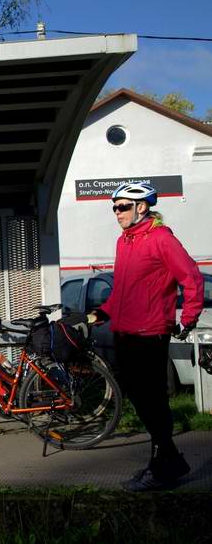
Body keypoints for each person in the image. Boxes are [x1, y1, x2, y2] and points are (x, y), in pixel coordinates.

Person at [89, 181, 203, 492]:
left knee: (152, 402)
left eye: (123, 207)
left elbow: (191, 278)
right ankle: (167, 462)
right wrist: (103, 311)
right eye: (114, 207)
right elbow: (124, 290)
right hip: (124, 331)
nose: (117, 213)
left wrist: (188, 318)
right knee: (138, 398)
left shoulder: (162, 240)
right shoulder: (124, 241)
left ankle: (163, 466)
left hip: (150, 333)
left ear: (142, 207)